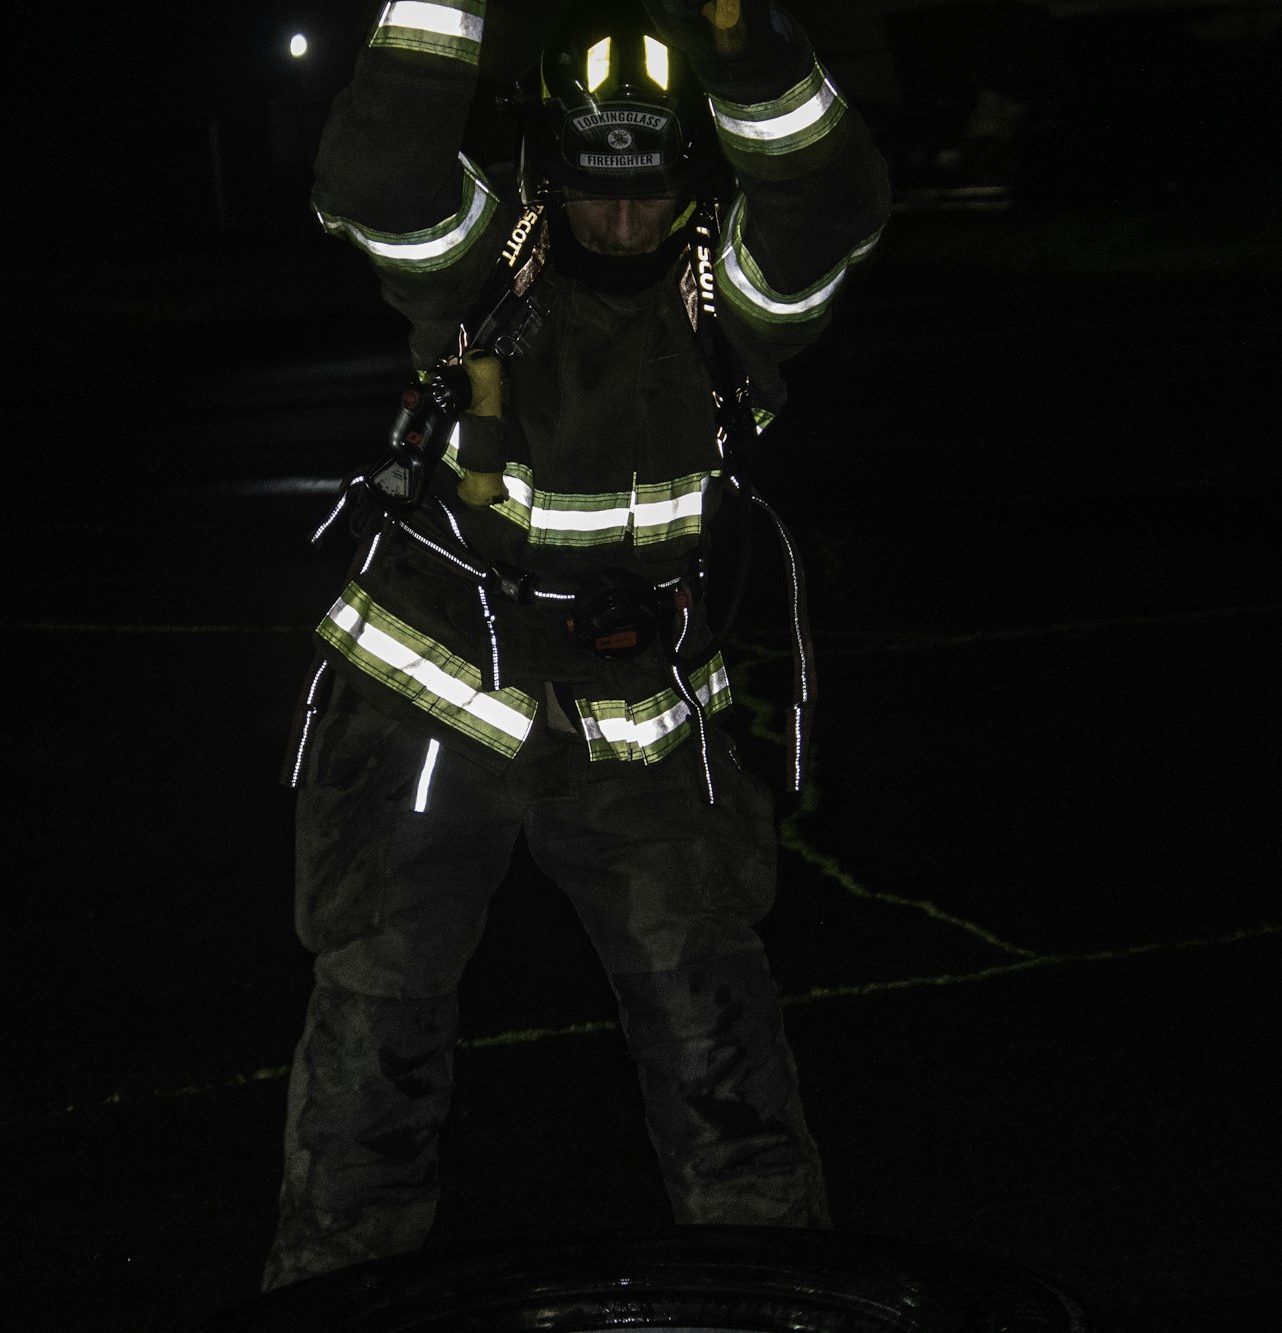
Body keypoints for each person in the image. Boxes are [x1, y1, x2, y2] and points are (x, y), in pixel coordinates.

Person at [264, 0, 891, 1290]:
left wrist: (754, 45)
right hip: (432, 720)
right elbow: (376, 173)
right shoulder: (483, 266)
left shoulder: (735, 296)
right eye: (594, 193)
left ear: (692, 182)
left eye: (650, 195)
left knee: (722, 1047)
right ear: (548, 174)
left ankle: (775, 1294)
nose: (622, 224)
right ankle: (328, 1296)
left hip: (647, 731)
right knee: (375, 1050)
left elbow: (828, 207)